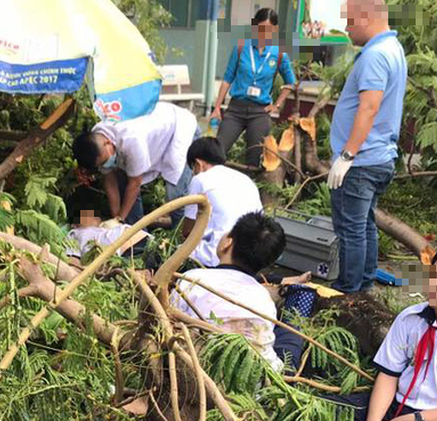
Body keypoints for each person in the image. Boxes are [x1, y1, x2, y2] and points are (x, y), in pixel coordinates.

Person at [334, 242, 437, 421]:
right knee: (333, 409)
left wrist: (417, 419)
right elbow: (389, 375)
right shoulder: (410, 318)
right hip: (398, 405)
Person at [326, 0, 407, 293]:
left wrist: (347, 156)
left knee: (351, 230)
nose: (346, 29)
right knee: (365, 225)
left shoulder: (375, 55)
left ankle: (348, 290)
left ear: (364, 16)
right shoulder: (393, 48)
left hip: (361, 160)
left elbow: (369, 107)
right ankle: (365, 283)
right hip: (379, 156)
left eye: (349, 22)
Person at [171, 212, 314, 372]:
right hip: (250, 379)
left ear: (227, 243)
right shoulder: (263, 300)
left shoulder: (191, 279)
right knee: (290, 333)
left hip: (188, 366)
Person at [72, 102, 198, 226]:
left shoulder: (131, 140)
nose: (106, 164)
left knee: (175, 196)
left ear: (108, 142)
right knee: (123, 182)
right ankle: (137, 237)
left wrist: (120, 217)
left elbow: (135, 183)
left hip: (179, 128)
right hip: (153, 135)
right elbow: (109, 181)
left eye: (105, 161)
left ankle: (185, 235)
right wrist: (116, 219)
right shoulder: (96, 139)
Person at [209, 7, 296, 167]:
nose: (263, 33)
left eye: (268, 29)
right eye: (260, 28)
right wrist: (217, 108)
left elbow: (290, 82)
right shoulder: (242, 48)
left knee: (254, 159)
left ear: (275, 29)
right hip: (236, 109)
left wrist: (276, 105)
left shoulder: (279, 54)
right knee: (217, 151)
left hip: (259, 112)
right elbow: (228, 78)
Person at [181, 137, 265, 267]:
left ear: (198, 164)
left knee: (171, 254)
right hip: (250, 255)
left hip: (217, 256)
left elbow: (188, 230)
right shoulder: (245, 179)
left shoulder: (200, 179)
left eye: (193, 168)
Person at [65, 208, 149, 261]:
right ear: (74, 225)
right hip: (129, 250)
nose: (92, 217)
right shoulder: (74, 234)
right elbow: (72, 259)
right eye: (86, 216)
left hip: (144, 240)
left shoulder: (105, 228)